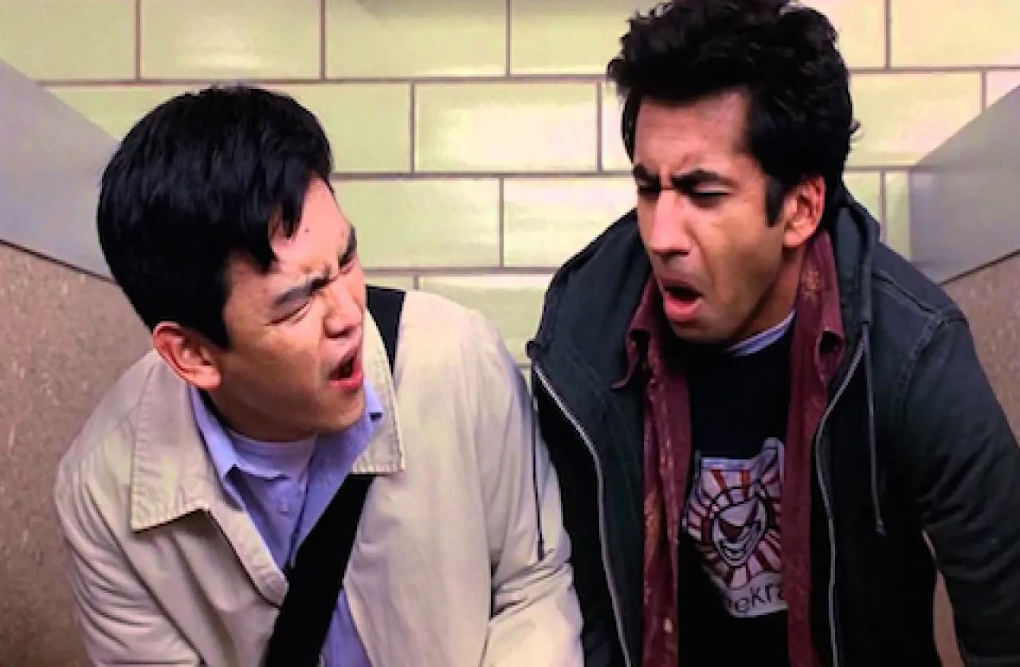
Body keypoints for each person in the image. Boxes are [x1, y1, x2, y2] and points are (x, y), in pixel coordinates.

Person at [527, 1, 1020, 665]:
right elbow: (579, 606)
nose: (662, 236)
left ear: (800, 208)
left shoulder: (909, 350)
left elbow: (1005, 614)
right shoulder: (584, 338)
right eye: (648, 188)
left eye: (703, 193)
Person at [53, 85, 583, 667]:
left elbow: (531, 586)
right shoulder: (103, 494)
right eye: (298, 301)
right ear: (193, 354)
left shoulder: (460, 360)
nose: (349, 315)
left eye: (347, 259)